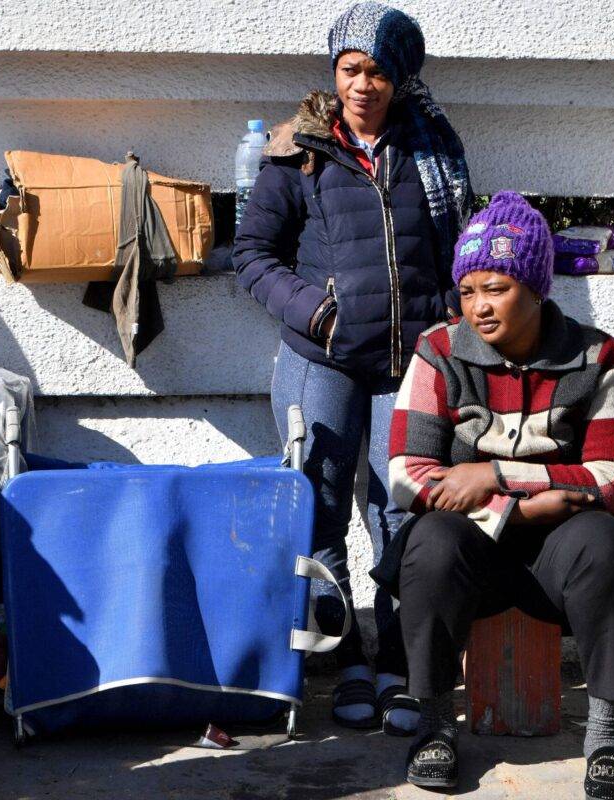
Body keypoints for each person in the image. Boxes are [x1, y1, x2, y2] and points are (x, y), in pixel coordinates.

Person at [232, 1, 473, 734]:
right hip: (324, 360)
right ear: (333, 73)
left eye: (376, 72)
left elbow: (461, 248)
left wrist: (455, 327)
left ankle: (400, 663)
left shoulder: (432, 149)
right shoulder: (298, 149)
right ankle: (349, 665)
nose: (362, 85)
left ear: (398, 78)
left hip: (409, 365)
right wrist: (316, 311)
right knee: (325, 506)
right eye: (350, 69)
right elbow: (251, 256)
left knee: (400, 512)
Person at [377, 191, 614, 796]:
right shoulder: (439, 350)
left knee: (606, 543)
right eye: (469, 290)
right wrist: (530, 502)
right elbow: (406, 473)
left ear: (536, 288)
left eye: (496, 288)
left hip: (562, 555)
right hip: (472, 551)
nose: (478, 306)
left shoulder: (597, 355)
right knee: (428, 540)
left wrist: (493, 476)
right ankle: (432, 726)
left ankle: (607, 736)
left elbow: (613, 478)